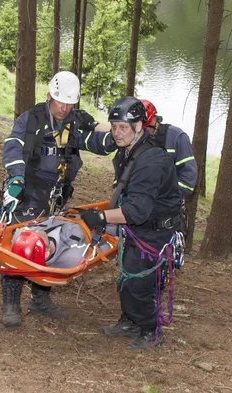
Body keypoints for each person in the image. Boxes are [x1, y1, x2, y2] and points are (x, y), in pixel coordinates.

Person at [0, 71, 112, 328]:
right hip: (29, 190)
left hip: (57, 195)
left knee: (51, 244)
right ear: (49, 96)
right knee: (18, 246)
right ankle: (10, 306)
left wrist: (120, 134)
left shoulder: (76, 124)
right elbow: (13, 145)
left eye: (69, 103)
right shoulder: (32, 120)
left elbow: (98, 143)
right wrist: (16, 178)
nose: (64, 108)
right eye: (60, 101)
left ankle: (40, 300)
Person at [79, 96, 184, 350]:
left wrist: (102, 218)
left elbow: (137, 210)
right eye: (114, 126)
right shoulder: (131, 150)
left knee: (138, 284)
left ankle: (150, 330)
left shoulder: (151, 161)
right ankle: (129, 321)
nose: (117, 133)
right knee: (126, 277)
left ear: (139, 126)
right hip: (140, 228)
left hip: (156, 231)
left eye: (123, 127)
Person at [140, 99, 197, 198]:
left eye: (144, 128)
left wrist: (166, 197)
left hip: (166, 205)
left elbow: (188, 179)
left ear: (154, 120)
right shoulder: (131, 137)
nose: (140, 133)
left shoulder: (177, 137)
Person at [11, 218, 113, 270]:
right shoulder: (73, 257)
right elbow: (106, 248)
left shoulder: (20, 236)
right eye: (36, 238)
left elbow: (19, 232)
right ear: (46, 253)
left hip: (70, 218)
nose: (36, 232)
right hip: (97, 226)